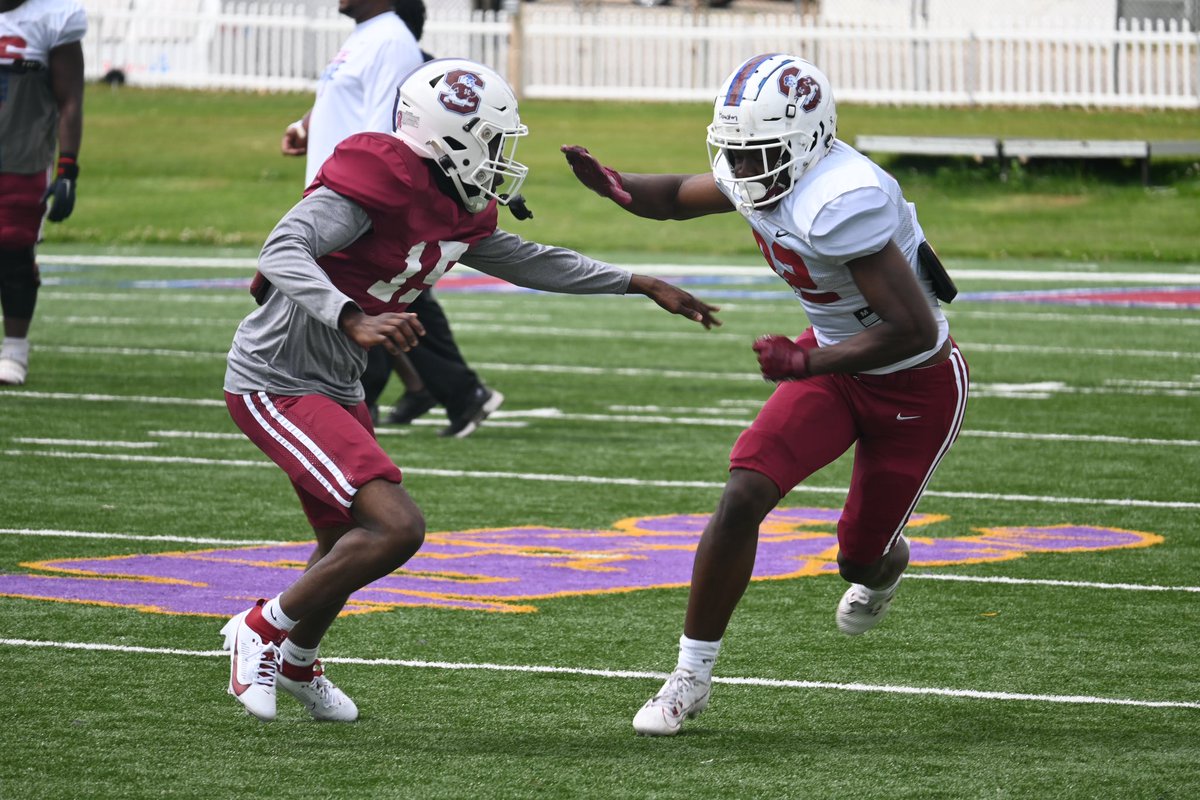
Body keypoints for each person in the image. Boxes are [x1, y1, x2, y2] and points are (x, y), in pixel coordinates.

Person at [221, 57, 720, 723]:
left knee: (346, 533)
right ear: (445, 137)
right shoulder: (377, 182)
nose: (498, 156)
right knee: (396, 527)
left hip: (334, 382)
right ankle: (261, 628)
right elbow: (282, 249)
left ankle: (298, 660)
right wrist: (352, 315)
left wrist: (636, 281)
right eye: (489, 139)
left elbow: (526, 258)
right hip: (276, 378)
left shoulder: (452, 200)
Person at [562, 53, 969, 736]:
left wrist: (807, 360)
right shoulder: (772, 167)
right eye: (739, 157)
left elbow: (909, 329)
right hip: (835, 369)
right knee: (743, 492)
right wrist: (617, 187)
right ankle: (690, 677)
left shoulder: (842, 198)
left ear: (808, 141)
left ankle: (887, 563)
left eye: (759, 157)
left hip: (915, 385)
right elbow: (671, 199)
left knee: (858, 558)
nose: (745, 173)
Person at [0, 0, 86, 385]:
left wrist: (67, 167)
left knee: (14, 255)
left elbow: (70, 99)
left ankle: (14, 350)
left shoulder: (55, 16)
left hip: (23, 157)